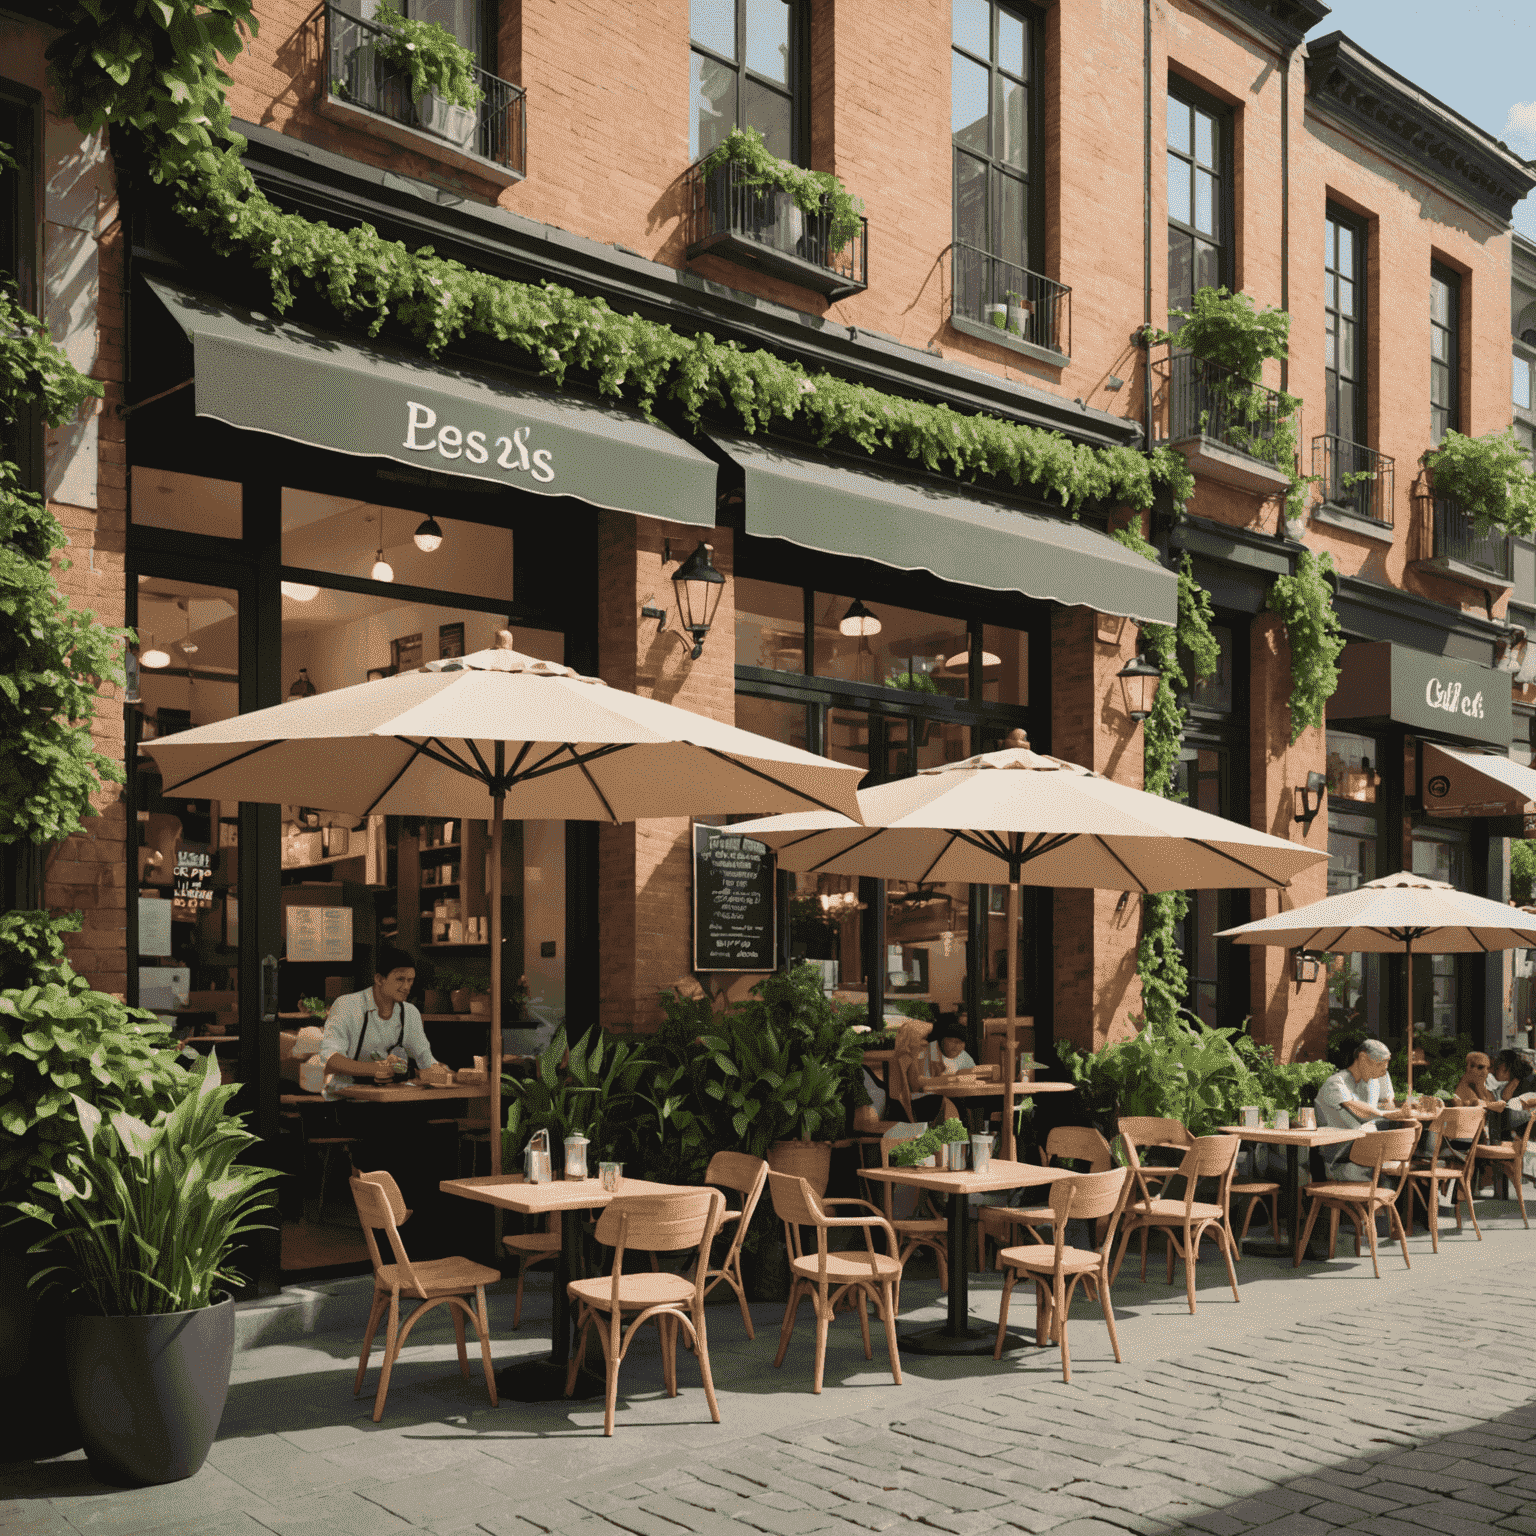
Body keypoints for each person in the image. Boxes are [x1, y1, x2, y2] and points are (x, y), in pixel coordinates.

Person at [317, 946, 438, 1102]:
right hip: (345, 1102)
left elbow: (426, 1060)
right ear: (379, 979)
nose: (407, 987)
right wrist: (377, 1069)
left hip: (389, 1101)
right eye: (400, 979)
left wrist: (439, 1071)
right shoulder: (347, 1005)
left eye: (410, 980)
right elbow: (331, 1060)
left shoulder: (410, 1013)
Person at [1314, 1039, 1405, 1182]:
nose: (1383, 1073)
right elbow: (1360, 1111)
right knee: (1387, 1177)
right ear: (1362, 1058)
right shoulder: (1336, 1083)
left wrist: (1405, 1108)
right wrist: (1389, 1114)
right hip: (1340, 1163)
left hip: (1366, 1158)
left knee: (1399, 1171)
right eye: (1380, 1064)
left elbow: (1386, 1105)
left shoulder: (1372, 1081)